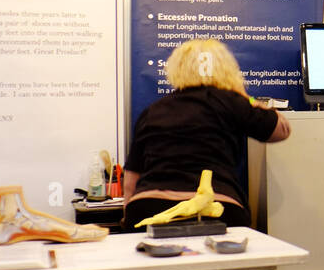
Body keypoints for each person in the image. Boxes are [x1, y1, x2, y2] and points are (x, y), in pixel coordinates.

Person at [123, 38, 290, 229]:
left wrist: (128, 216)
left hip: (148, 208)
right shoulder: (233, 102)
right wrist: (246, 97)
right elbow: (281, 130)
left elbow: (131, 178)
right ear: (226, 69)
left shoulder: (153, 110)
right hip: (216, 208)